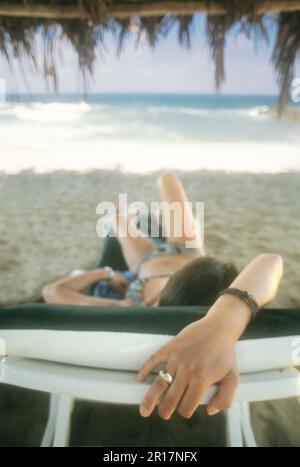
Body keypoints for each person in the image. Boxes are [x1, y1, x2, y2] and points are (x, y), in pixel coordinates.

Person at [42, 172, 283, 420]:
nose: (152, 302)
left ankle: (124, 217)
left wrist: (103, 272)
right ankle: (139, 215)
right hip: (191, 252)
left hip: (147, 263)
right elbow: (271, 261)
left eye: (156, 301)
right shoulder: (216, 313)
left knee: (119, 222)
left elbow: (52, 292)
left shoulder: (130, 306)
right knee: (167, 180)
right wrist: (223, 321)